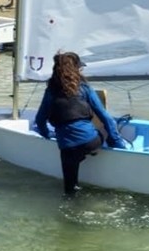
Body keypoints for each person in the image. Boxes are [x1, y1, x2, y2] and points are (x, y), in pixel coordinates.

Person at [34, 51, 126, 196]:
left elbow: (40, 120)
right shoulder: (84, 88)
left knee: (70, 190)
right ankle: (91, 152)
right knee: (102, 130)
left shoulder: (50, 91)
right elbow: (106, 118)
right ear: (76, 69)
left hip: (67, 147)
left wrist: (48, 134)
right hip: (91, 142)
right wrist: (118, 143)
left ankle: (73, 194)